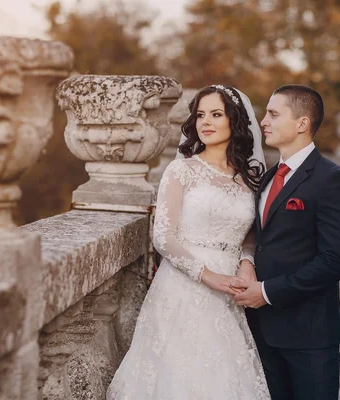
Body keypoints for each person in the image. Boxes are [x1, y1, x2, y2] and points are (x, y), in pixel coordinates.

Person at [107, 85, 271, 399]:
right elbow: (163, 237)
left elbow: (249, 232)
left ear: (234, 121)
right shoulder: (182, 170)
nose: (205, 122)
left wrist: (247, 263)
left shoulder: (249, 177)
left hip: (231, 288)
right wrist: (209, 276)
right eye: (200, 115)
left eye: (216, 114)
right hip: (184, 286)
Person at [233, 85, 340, 400]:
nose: (264, 121)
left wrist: (266, 292)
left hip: (309, 336)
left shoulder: (333, 180)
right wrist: (247, 263)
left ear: (302, 123)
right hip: (261, 330)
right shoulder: (267, 178)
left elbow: (336, 260)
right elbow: (261, 242)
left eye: (274, 114)